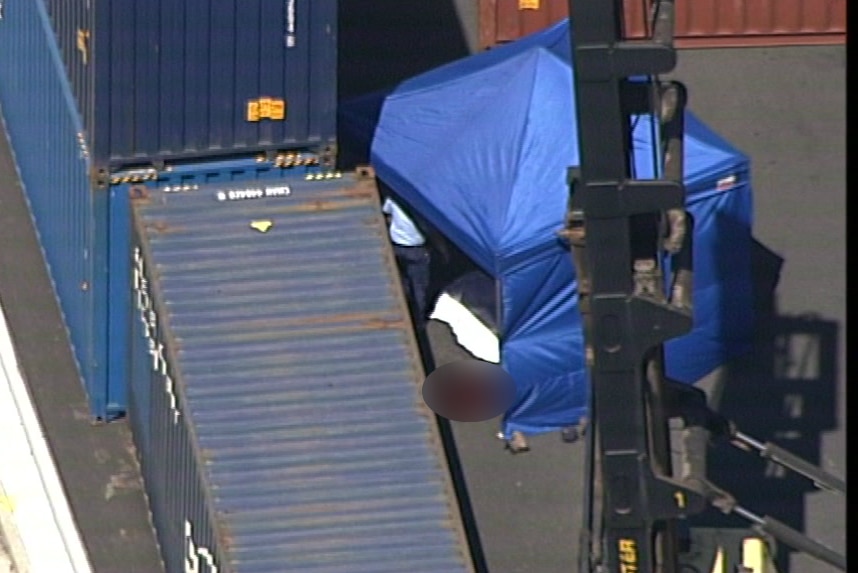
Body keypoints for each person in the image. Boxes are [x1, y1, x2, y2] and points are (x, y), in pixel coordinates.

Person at [382, 196, 433, 330]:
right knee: (419, 285)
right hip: (417, 249)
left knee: (399, 281)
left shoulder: (396, 199)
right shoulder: (424, 204)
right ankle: (419, 319)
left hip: (397, 246)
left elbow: (386, 210)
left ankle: (403, 309)